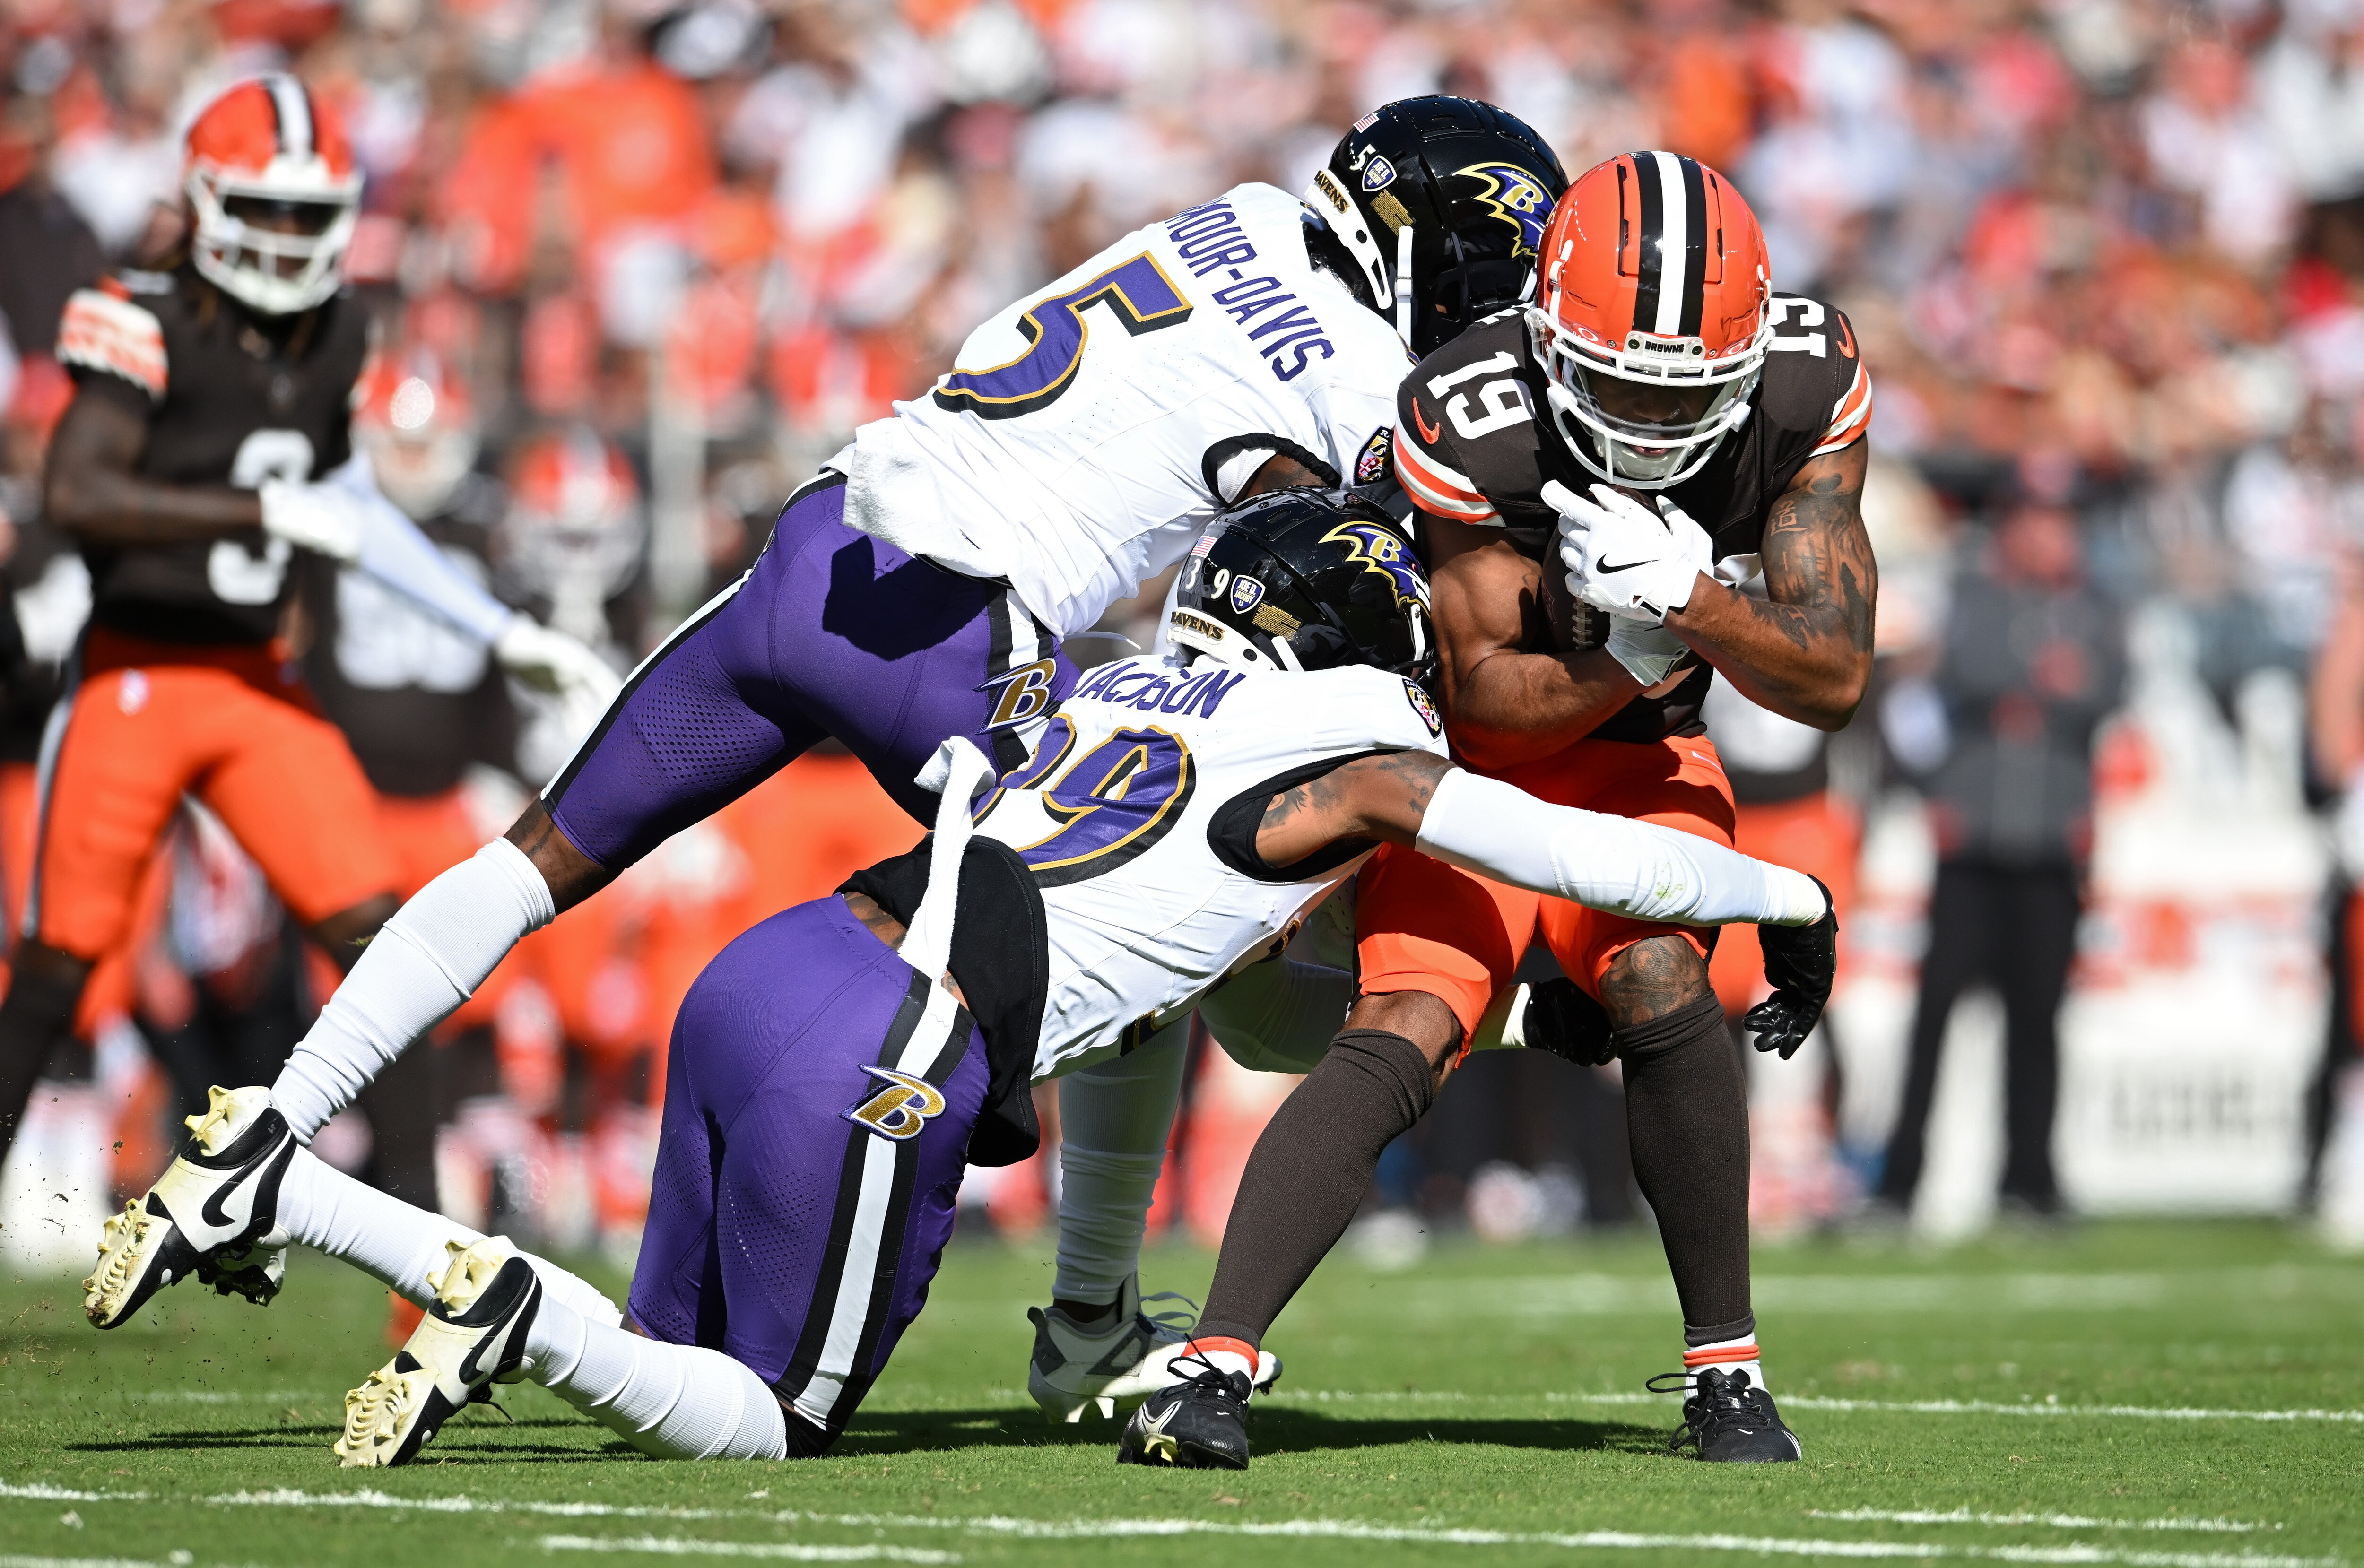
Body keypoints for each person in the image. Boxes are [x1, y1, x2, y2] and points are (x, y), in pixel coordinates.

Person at [82, 98, 1570, 1388]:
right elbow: (1362, 543)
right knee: (1162, 905)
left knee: (536, 855)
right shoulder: (1362, 372)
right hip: (955, 631)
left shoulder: (1234, 217)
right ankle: (1088, 1301)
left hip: (822, 546)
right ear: (1441, 257)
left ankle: (263, 1125)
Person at [111, 490, 1833, 1468]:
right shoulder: (1363, 749)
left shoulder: (1094, 687)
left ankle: (433, 1302)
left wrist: (1506, 1034)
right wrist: (1789, 890)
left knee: (657, 1360)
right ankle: (392, 1245)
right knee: (754, 1424)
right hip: (892, 1044)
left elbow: (1232, 1002)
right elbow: (1601, 862)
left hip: (773, 964)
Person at [1141, 151, 1878, 1466]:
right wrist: (1636, 652)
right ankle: (1214, 1361)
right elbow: (1481, 701)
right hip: (1476, 763)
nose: (1649, 423)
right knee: (1408, 1020)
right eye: (1616, 383)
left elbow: (1831, 676)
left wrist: (1697, 607)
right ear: (1544, 337)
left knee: (1659, 972)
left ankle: (1728, 1372)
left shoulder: (1808, 385)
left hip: (1643, 756)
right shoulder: (1474, 411)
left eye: (1684, 393)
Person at [0, 75, 614, 1183]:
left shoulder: (336, 337)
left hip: (256, 683)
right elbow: (82, 489)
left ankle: (428, 1267)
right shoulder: (133, 315)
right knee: (52, 972)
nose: (286, 239)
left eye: (306, 213)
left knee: (394, 954)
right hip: (136, 672)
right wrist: (258, 510)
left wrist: (491, 628)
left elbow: (356, 513)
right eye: (264, 209)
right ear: (205, 200)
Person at [1871, 497, 2122, 1221]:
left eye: (2062, 522)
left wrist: (2037, 686)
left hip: (2049, 844)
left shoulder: (2097, 607)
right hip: (1972, 840)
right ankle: (1899, 1180)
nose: (2052, 537)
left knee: (2038, 1022)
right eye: (2038, 521)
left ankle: (2031, 1179)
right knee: (1934, 1017)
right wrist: (2042, 677)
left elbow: (2108, 688)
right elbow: (1956, 679)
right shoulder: (1972, 597)